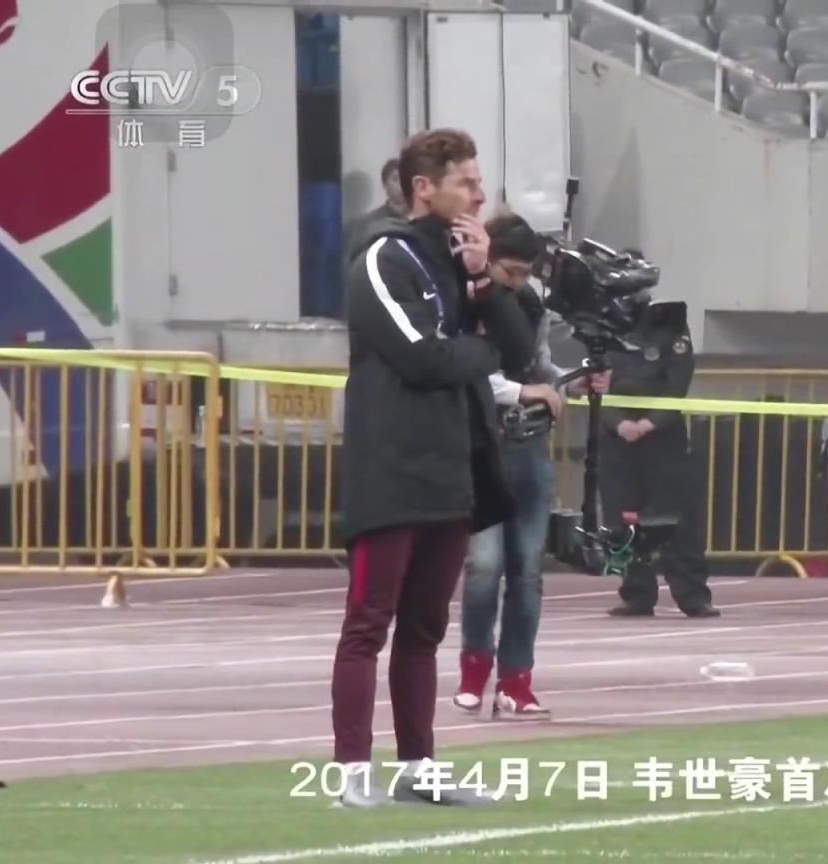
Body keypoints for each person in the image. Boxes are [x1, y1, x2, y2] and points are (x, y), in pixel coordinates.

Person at [330, 128, 535, 807]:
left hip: (452, 472)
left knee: (424, 631)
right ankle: (352, 773)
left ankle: (419, 767)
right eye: (465, 183)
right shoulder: (384, 256)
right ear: (424, 188)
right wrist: (478, 350)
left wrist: (482, 279)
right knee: (368, 624)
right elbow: (423, 358)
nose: (479, 195)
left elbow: (519, 351)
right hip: (391, 470)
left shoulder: (459, 260)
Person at [452, 213, 610, 721]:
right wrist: (524, 391)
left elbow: (540, 366)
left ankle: (517, 680)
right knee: (483, 567)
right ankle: (473, 670)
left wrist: (572, 382)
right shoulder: (462, 302)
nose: (518, 282)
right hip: (482, 447)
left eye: (525, 273)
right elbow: (472, 374)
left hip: (530, 448)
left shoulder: (531, 307)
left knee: (527, 571)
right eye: (510, 272)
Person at [600, 268, 719, 619]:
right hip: (617, 438)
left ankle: (692, 594)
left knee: (677, 520)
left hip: (663, 438)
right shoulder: (602, 327)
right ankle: (636, 593)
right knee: (621, 518)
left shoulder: (669, 324)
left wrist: (649, 423)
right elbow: (596, 381)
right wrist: (619, 423)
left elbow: (677, 382)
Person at [342, 158, 407, 263]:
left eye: (405, 179)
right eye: (395, 179)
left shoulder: (421, 221)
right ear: (385, 185)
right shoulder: (364, 225)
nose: (402, 185)